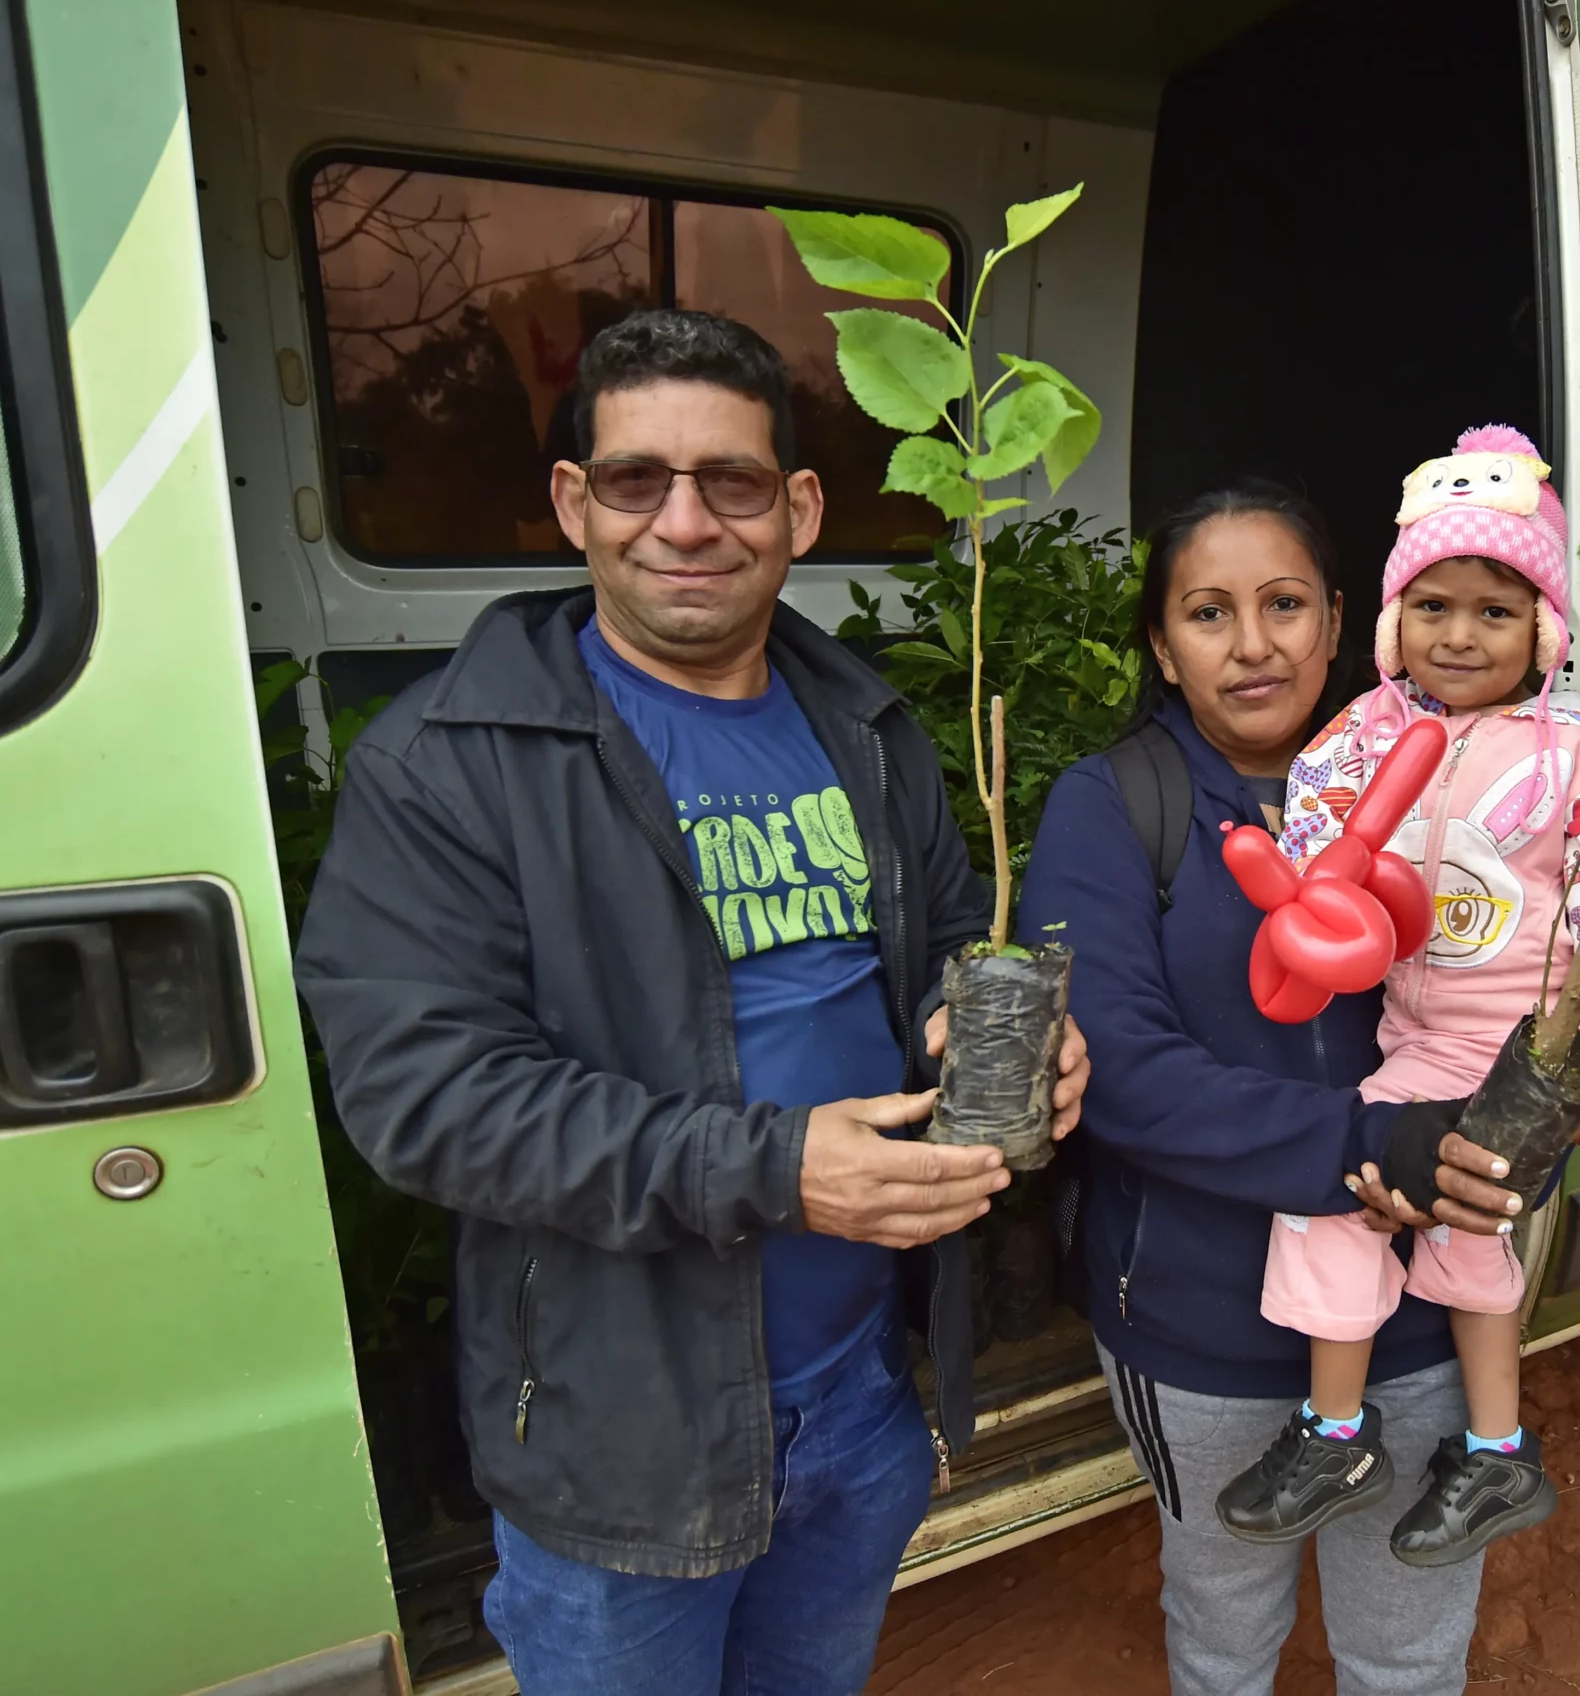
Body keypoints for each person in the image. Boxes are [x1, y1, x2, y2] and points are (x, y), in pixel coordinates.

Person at [295, 309, 1088, 1696]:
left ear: (797, 508)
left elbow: (947, 931)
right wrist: (775, 1167)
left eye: (730, 480)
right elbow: (428, 1098)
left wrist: (1000, 1024)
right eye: (633, 478)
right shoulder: (453, 762)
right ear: (570, 503)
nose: (684, 521)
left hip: (858, 1389)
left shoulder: (865, 724)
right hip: (625, 1432)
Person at [1018, 484, 1527, 1696]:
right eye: (1207, 612)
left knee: (1407, 1655)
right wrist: (1372, 1145)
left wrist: (1507, 1140)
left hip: (1417, 1323)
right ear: (1160, 643)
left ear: (1344, 619)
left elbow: (1518, 993)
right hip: (1200, 1329)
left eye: (1286, 604)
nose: (1253, 645)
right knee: (1222, 1643)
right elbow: (1124, 1074)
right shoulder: (1110, 807)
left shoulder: (1453, 787)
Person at [1215, 427, 1580, 1565]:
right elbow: (1318, 830)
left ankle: (1497, 1452)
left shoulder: (1577, 751)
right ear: (1390, 621)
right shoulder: (1367, 732)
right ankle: (1339, 1432)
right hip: (1410, 1041)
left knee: (1470, 1236)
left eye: (1495, 611)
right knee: (1339, 1194)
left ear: (1545, 631)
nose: (1458, 636)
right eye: (1433, 606)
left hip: (1524, 1049)